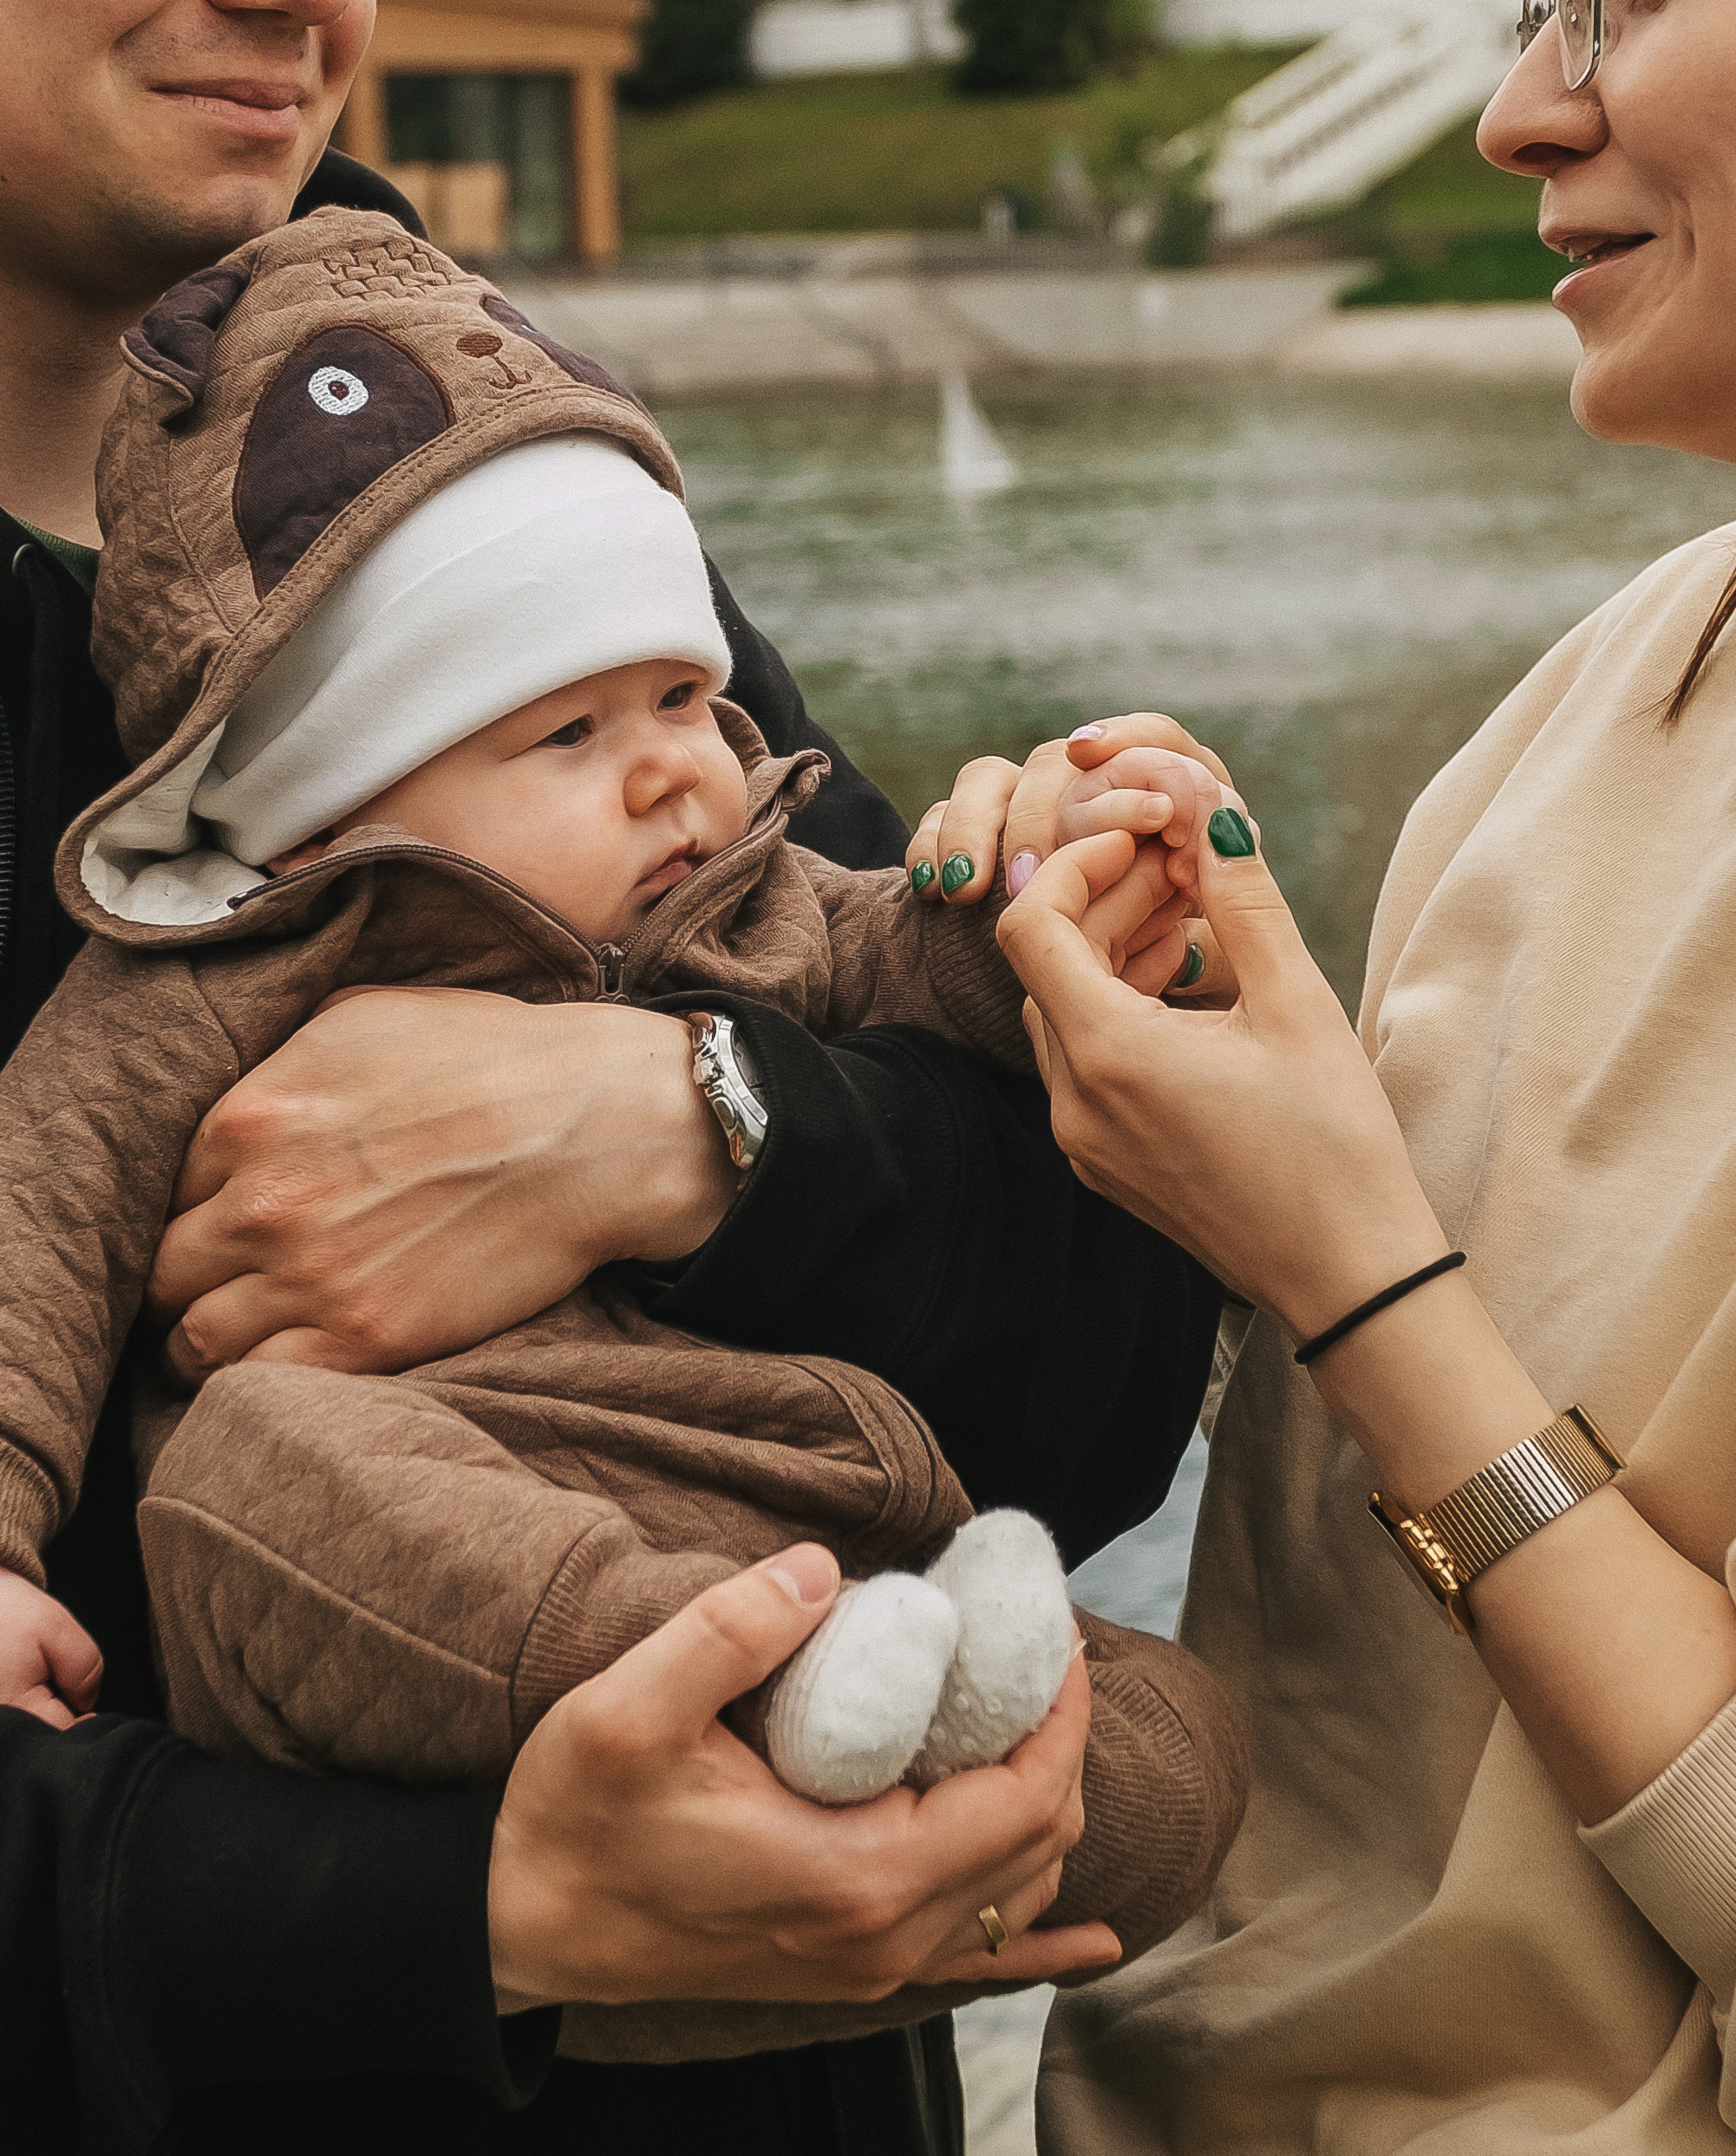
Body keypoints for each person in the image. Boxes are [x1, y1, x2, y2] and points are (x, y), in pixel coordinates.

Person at [0, 5, 1225, 2156]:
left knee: (1154, 1738)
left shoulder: (476, 452)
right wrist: (483, 1911)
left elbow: (1101, 1356)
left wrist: (688, 1122)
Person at [0, 208, 1243, 1996]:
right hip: (445, 1561)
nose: (674, 767)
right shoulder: (207, 975)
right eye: (567, 734)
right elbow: (35, 1234)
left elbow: (932, 969)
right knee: (255, 1464)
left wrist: (1071, 894)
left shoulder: (744, 885)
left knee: (1184, 1746)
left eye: (680, 692)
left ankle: (942, 1759)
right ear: (333, 798)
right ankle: (751, 1684)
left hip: (783, 1488)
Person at [988, 0, 1736, 2156]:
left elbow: (1395, 1333)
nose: (1523, 109)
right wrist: (1162, 1027)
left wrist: (1347, 1265)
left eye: (1618, 1)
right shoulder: (1605, 680)